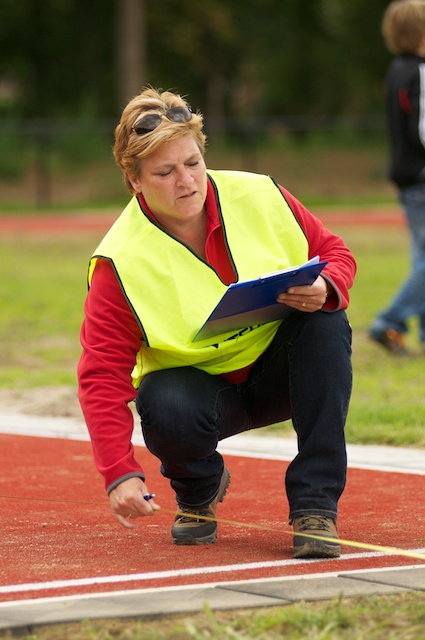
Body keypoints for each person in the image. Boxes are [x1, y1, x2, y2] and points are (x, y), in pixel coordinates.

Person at [78, 87, 356, 559]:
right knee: (160, 400)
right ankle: (197, 488)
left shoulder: (260, 193)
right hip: (197, 399)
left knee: (328, 322)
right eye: (165, 172)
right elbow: (101, 375)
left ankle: (315, 505)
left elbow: (335, 251)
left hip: (281, 373)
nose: (186, 181)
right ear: (134, 180)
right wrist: (119, 472)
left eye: (192, 163)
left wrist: (328, 285)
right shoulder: (118, 262)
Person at [370, 0, 425, 355]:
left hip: (407, 179)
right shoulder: (419, 70)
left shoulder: (396, 69)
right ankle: (389, 321)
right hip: (421, 176)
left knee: (421, 258)